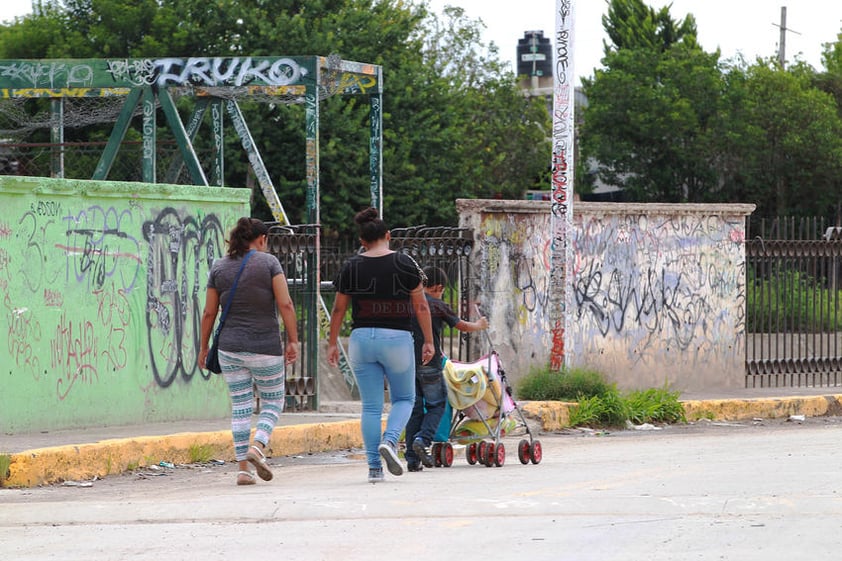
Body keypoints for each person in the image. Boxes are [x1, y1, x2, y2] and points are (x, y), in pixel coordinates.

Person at [327, 207, 434, 483]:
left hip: (361, 339)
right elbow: (421, 305)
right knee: (404, 399)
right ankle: (390, 440)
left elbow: (338, 310)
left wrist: (332, 343)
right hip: (396, 339)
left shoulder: (351, 266)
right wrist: (429, 341)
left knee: (371, 407)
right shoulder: (405, 263)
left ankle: (374, 468)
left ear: (362, 240)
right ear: (388, 235)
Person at [199, 217, 300, 486]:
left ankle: (243, 471)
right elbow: (285, 304)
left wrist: (203, 347)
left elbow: (209, 312)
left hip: (229, 349)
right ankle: (258, 446)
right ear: (262, 239)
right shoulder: (269, 263)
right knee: (273, 402)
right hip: (264, 346)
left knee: (241, 406)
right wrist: (293, 339)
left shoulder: (219, 267)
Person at [405, 266, 489, 471]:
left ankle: (412, 459)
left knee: (414, 409)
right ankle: (423, 440)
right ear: (439, 287)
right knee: (437, 404)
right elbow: (461, 326)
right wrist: (479, 325)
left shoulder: (407, 304)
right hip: (429, 363)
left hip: (406, 364)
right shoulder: (438, 305)